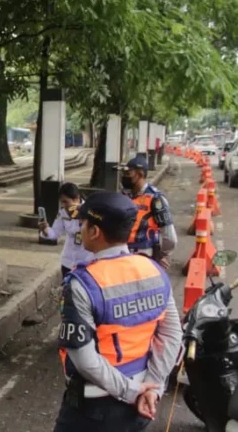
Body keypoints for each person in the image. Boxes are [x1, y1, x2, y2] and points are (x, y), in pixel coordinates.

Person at [54, 191, 182, 431]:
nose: (80, 230)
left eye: (82, 224)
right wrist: (152, 386)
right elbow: (171, 335)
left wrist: (132, 392)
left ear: (94, 232)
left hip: (92, 409)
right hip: (142, 405)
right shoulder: (154, 271)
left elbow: (84, 359)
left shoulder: (82, 283)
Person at [118, 156, 177, 269]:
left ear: (140, 174)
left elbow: (169, 236)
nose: (124, 177)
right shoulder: (123, 195)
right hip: (121, 255)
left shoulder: (155, 199)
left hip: (143, 257)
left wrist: (162, 254)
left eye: (128, 173)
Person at [38, 183, 94, 279]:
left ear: (76, 199)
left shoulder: (90, 210)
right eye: (61, 202)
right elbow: (55, 233)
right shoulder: (63, 212)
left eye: (66, 202)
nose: (64, 206)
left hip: (86, 261)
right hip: (68, 261)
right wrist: (45, 230)